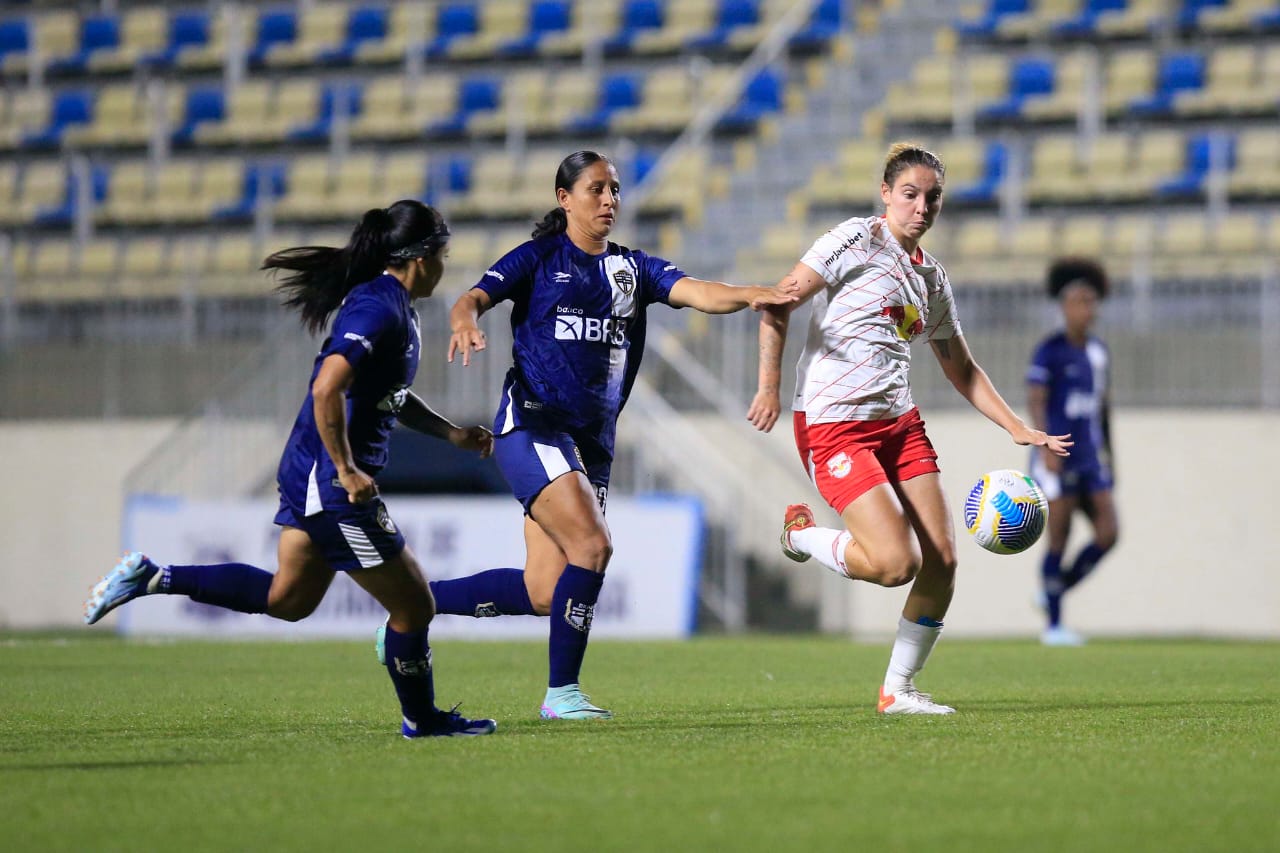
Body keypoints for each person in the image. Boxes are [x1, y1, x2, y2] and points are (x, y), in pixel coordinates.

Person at [392, 149, 799, 721]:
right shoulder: (539, 258)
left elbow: (701, 293)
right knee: (594, 546)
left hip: (590, 445)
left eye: (614, 190)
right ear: (564, 199)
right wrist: (464, 320)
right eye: (596, 190)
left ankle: (410, 610)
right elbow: (473, 297)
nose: (609, 200)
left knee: (542, 591)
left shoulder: (633, 269)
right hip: (532, 424)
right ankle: (562, 695)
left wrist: (753, 293)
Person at [83, 200, 498, 739]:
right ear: (420, 258)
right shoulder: (379, 309)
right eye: (443, 255)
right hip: (331, 482)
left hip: (309, 471)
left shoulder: (397, 307)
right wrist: (347, 470)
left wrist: (451, 434)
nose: (445, 267)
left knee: (289, 599)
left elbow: (388, 392)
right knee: (415, 606)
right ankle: (422, 718)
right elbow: (328, 387)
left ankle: (154, 576)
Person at [746, 142, 1073, 715]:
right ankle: (799, 536)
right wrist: (769, 387)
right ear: (885, 195)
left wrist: (1017, 426)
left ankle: (899, 690)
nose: (921, 207)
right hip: (833, 424)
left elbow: (961, 366)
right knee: (897, 564)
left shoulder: (931, 278)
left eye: (932, 197)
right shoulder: (856, 240)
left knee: (942, 559)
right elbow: (778, 303)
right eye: (910, 194)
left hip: (898, 424)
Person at [1028, 258, 1117, 647]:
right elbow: (1036, 398)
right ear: (1065, 307)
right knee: (1059, 537)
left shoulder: (1098, 352)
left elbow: (1102, 407)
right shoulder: (1050, 351)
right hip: (1057, 453)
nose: (1087, 309)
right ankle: (1054, 626)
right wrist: (1044, 442)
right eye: (1080, 301)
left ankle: (1054, 590)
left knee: (1108, 533)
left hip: (1090, 456)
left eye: (1091, 301)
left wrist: (1111, 454)